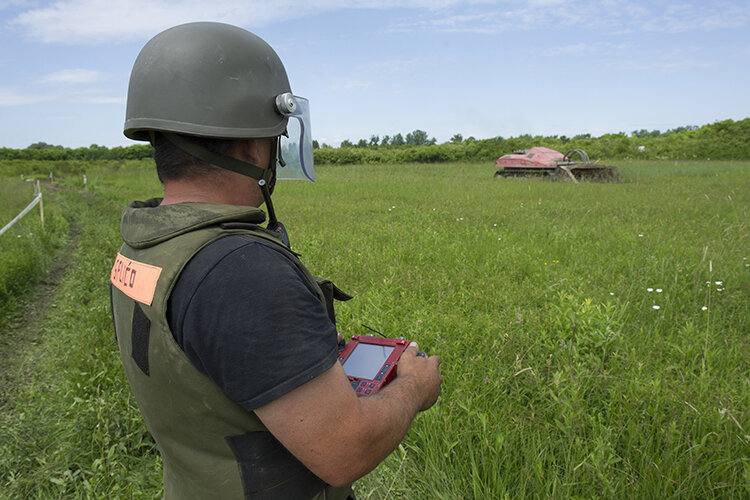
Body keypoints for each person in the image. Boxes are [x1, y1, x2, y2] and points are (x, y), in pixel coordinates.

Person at [109, 22, 442, 499]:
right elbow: (344, 453)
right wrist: (413, 388)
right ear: (251, 144)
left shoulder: (145, 243)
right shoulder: (240, 269)